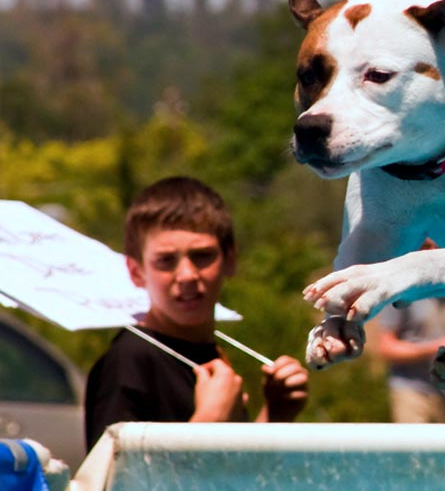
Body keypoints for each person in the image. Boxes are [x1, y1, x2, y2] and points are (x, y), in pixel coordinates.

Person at [84, 177, 308, 450]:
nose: (187, 275)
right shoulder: (130, 360)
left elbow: (231, 477)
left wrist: (277, 412)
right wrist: (208, 421)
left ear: (230, 260)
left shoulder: (210, 354)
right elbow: (113, 484)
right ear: (136, 272)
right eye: (166, 261)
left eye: (202, 256)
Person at [372, 240, 445, 423]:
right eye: (426, 247)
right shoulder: (401, 291)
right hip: (412, 392)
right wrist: (434, 348)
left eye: (438, 245)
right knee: (414, 451)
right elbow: (386, 347)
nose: (433, 251)